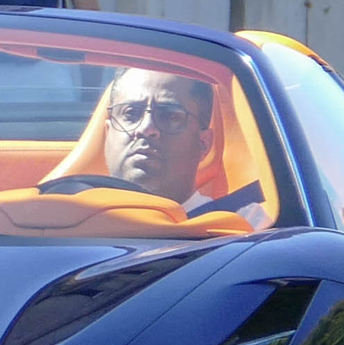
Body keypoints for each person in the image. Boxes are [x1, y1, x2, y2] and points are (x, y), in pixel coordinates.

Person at [76, 69, 269, 228]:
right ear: (108, 133)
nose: (146, 129)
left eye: (169, 116)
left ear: (204, 144)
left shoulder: (245, 228)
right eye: (131, 113)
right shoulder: (65, 220)